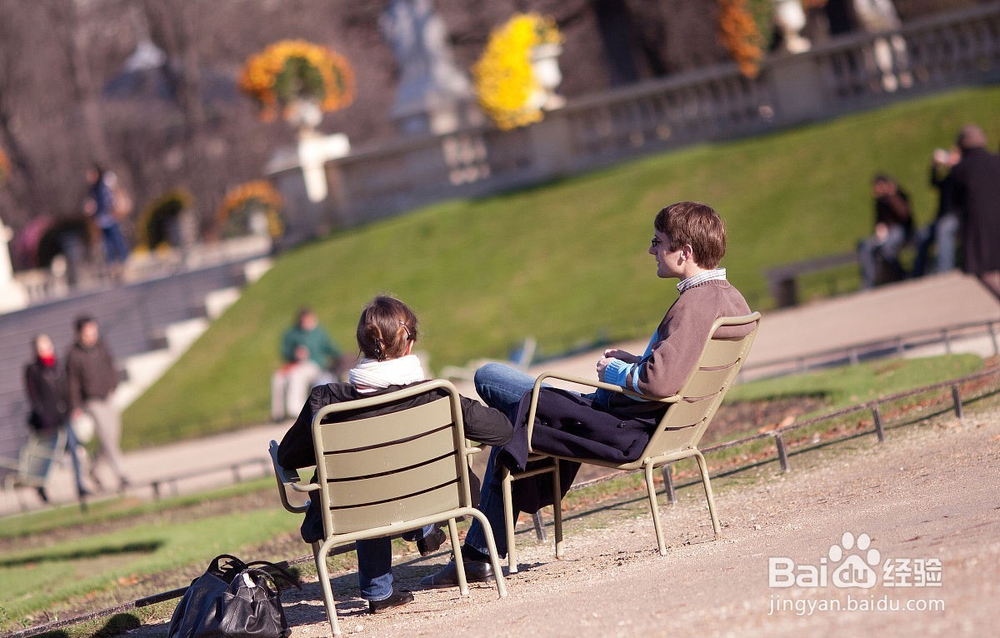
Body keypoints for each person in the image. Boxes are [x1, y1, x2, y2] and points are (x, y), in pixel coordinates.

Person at [422, 201, 753, 588]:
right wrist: (639, 360)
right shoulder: (730, 298)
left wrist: (616, 371)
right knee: (515, 422)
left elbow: (660, 384)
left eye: (657, 241)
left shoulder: (693, 305)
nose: (650, 251)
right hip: (656, 424)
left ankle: (478, 554)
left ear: (686, 252)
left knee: (489, 378)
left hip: (625, 429)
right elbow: (677, 368)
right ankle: (478, 553)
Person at [276, 295, 513, 613]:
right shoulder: (438, 395)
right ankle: (422, 526)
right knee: (392, 479)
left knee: (365, 483)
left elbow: (289, 458)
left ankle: (379, 592)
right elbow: (502, 431)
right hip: (435, 498)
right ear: (410, 344)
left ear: (361, 346)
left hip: (354, 509)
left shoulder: (327, 403)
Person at [65, 315, 130, 492]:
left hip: (107, 396)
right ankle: (122, 474)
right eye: (88, 332)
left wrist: (113, 384)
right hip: (91, 400)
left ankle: (94, 468)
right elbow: (72, 382)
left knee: (113, 435)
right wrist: (75, 405)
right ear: (80, 333)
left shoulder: (101, 346)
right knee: (106, 436)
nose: (92, 335)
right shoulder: (73, 354)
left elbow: (111, 366)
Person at [24, 334, 88, 501]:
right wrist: (43, 415)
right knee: (47, 455)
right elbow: (34, 396)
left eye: (47, 345)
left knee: (74, 449)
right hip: (48, 420)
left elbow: (66, 388)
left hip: (64, 414)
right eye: (41, 347)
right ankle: (40, 486)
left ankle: (80, 485)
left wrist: (73, 407)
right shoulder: (33, 369)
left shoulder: (58, 366)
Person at [948, 123, 1000, 300]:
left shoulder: (959, 170)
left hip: (978, 227)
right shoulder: (996, 160)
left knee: (982, 270)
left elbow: (952, 202)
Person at [270, 307, 343, 422]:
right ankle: (278, 414)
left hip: (313, 365)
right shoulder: (292, 333)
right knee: (278, 377)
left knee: (297, 375)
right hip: (294, 364)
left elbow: (332, 349)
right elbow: (285, 352)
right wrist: (295, 354)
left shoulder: (319, 333)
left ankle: (295, 411)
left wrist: (341, 358)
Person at [858, 174, 914, 288]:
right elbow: (878, 221)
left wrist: (892, 196)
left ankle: (902, 275)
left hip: (901, 230)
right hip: (885, 234)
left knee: (887, 248)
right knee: (865, 246)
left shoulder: (898, 195)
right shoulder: (879, 201)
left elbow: (905, 215)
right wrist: (879, 228)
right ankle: (869, 282)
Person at [913, 146, 961, 277]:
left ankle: (944, 269)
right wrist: (935, 166)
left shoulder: (962, 174)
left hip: (957, 217)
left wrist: (954, 165)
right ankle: (918, 272)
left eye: (953, 155)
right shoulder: (948, 178)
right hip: (942, 217)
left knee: (943, 229)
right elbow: (934, 182)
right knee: (922, 234)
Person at [84, 164, 129, 273]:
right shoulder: (92, 189)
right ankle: (113, 265)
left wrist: (102, 208)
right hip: (101, 221)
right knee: (107, 244)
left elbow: (107, 201)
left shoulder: (103, 186)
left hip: (110, 218)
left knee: (117, 240)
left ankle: (124, 261)